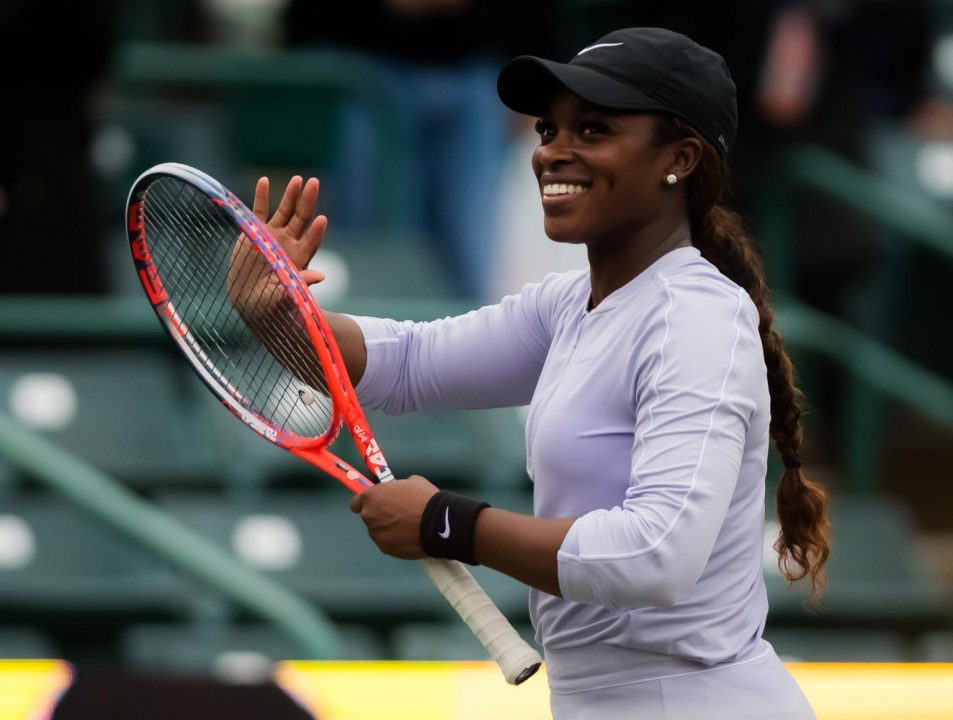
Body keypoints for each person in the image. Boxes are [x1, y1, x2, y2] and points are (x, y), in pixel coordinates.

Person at [253, 27, 831, 719]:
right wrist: (274, 313)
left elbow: (655, 553)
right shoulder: (567, 305)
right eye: (548, 129)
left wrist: (448, 523)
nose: (552, 150)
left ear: (679, 159)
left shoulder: (694, 317)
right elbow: (405, 365)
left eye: (593, 129)